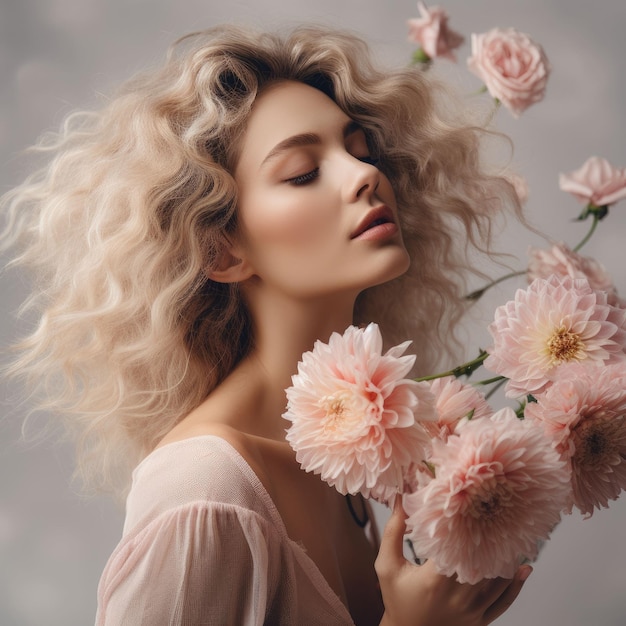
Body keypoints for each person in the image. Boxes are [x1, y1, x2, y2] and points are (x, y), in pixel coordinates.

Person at [1, 24, 530, 625]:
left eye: (359, 151)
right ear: (222, 251)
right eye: (304, 171)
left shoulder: (341, 454)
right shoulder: (204, 495)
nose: (364, 176)